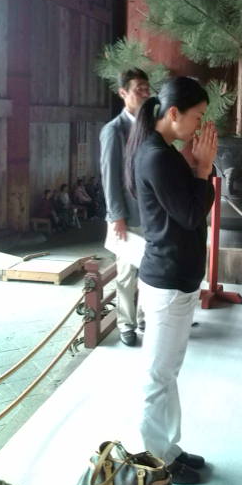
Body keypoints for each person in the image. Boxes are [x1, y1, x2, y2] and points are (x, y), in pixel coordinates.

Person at [127, 76, 217, 485]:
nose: (200, 126)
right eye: (198, 116)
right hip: (167, 279)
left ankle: (170, 447)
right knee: (157, 377)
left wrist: (195, 167)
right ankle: (153, 459)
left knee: (167, 373)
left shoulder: (163, 152)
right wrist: (204, 170)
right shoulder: (156, 156)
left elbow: (185, 207)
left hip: (176, 276)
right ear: (174, 113)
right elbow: (191, 214)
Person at [100, 68, 150, 346]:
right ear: (123, 93)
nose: (145, 93)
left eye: (146, 88)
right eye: (138, 88)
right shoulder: (114, 130)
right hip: (127, 216)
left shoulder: (148, 127)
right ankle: (126, 324)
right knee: (127, 272)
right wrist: (116, 215)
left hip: (150, 213)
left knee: (148, 270)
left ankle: (143, 317)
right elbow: (110, 176)